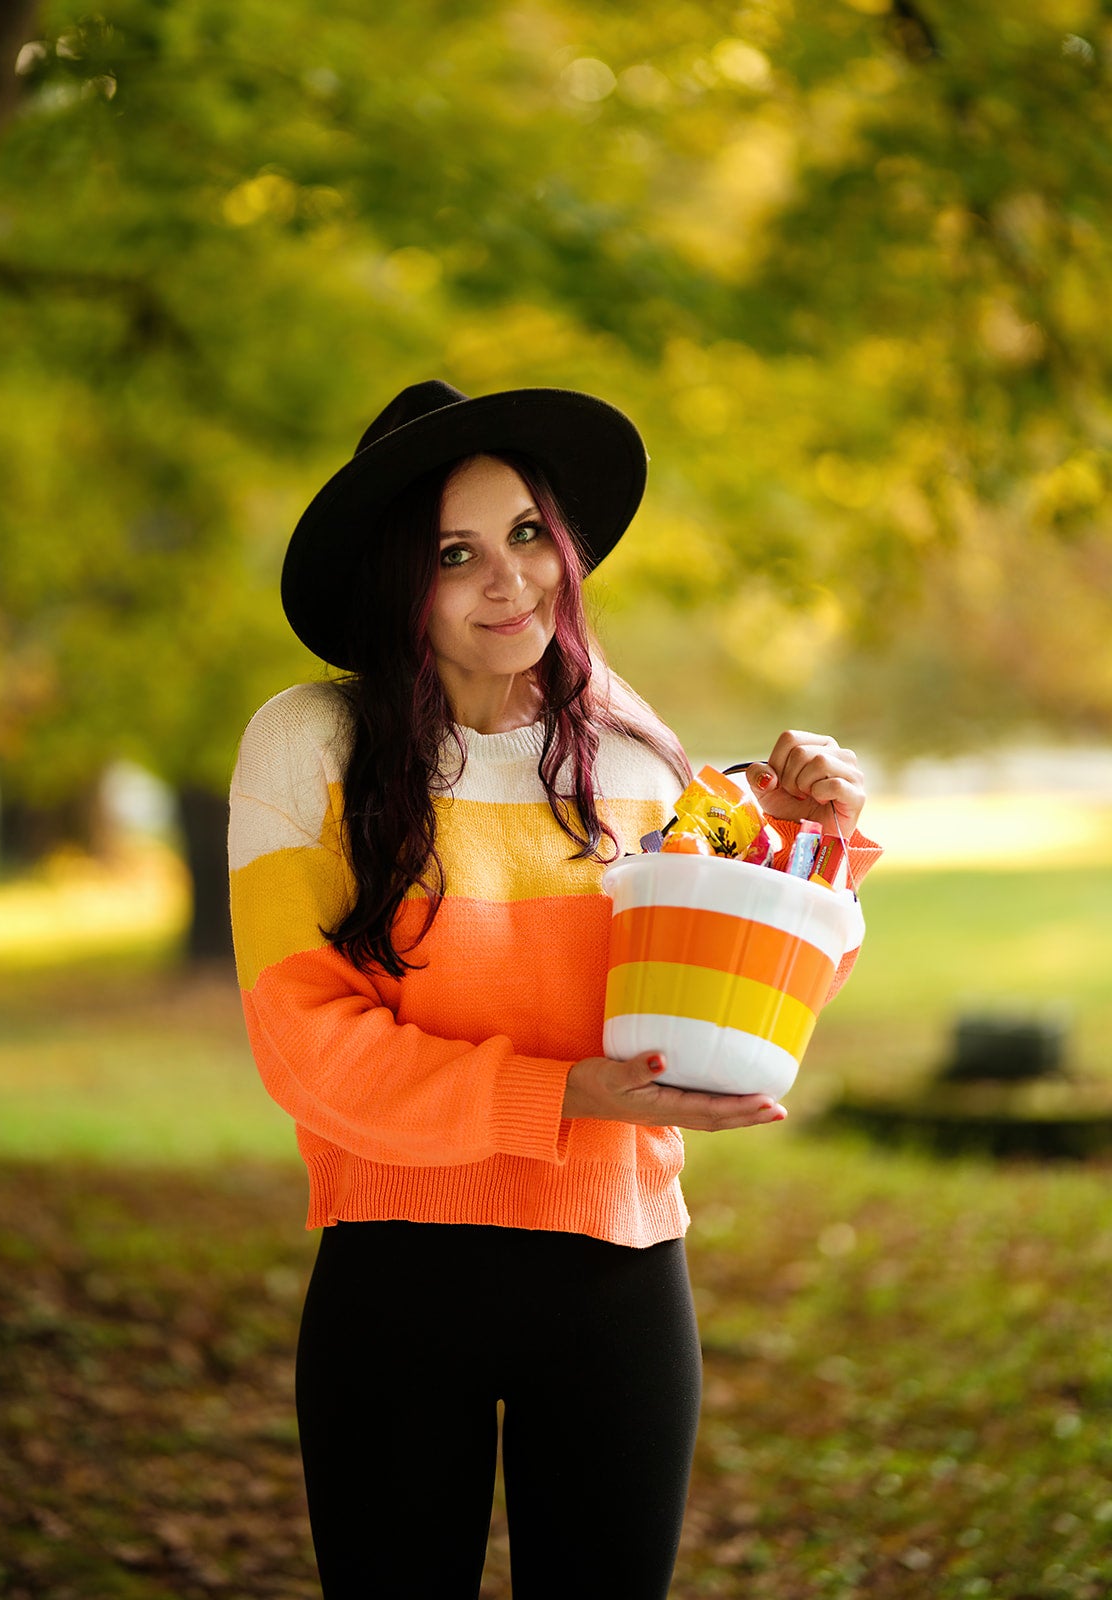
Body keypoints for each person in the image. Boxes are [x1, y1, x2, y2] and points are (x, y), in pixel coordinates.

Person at [227, 380, 880, 1600]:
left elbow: (745, 991)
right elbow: (302, 1046)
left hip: (616, 1274)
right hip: (395, 1275)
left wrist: (812, 840)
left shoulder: (633, 756)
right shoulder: (307, 745)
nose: (506, 580)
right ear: (394, 581)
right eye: (452, 554)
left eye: (525, 532)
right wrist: (563, 1093)